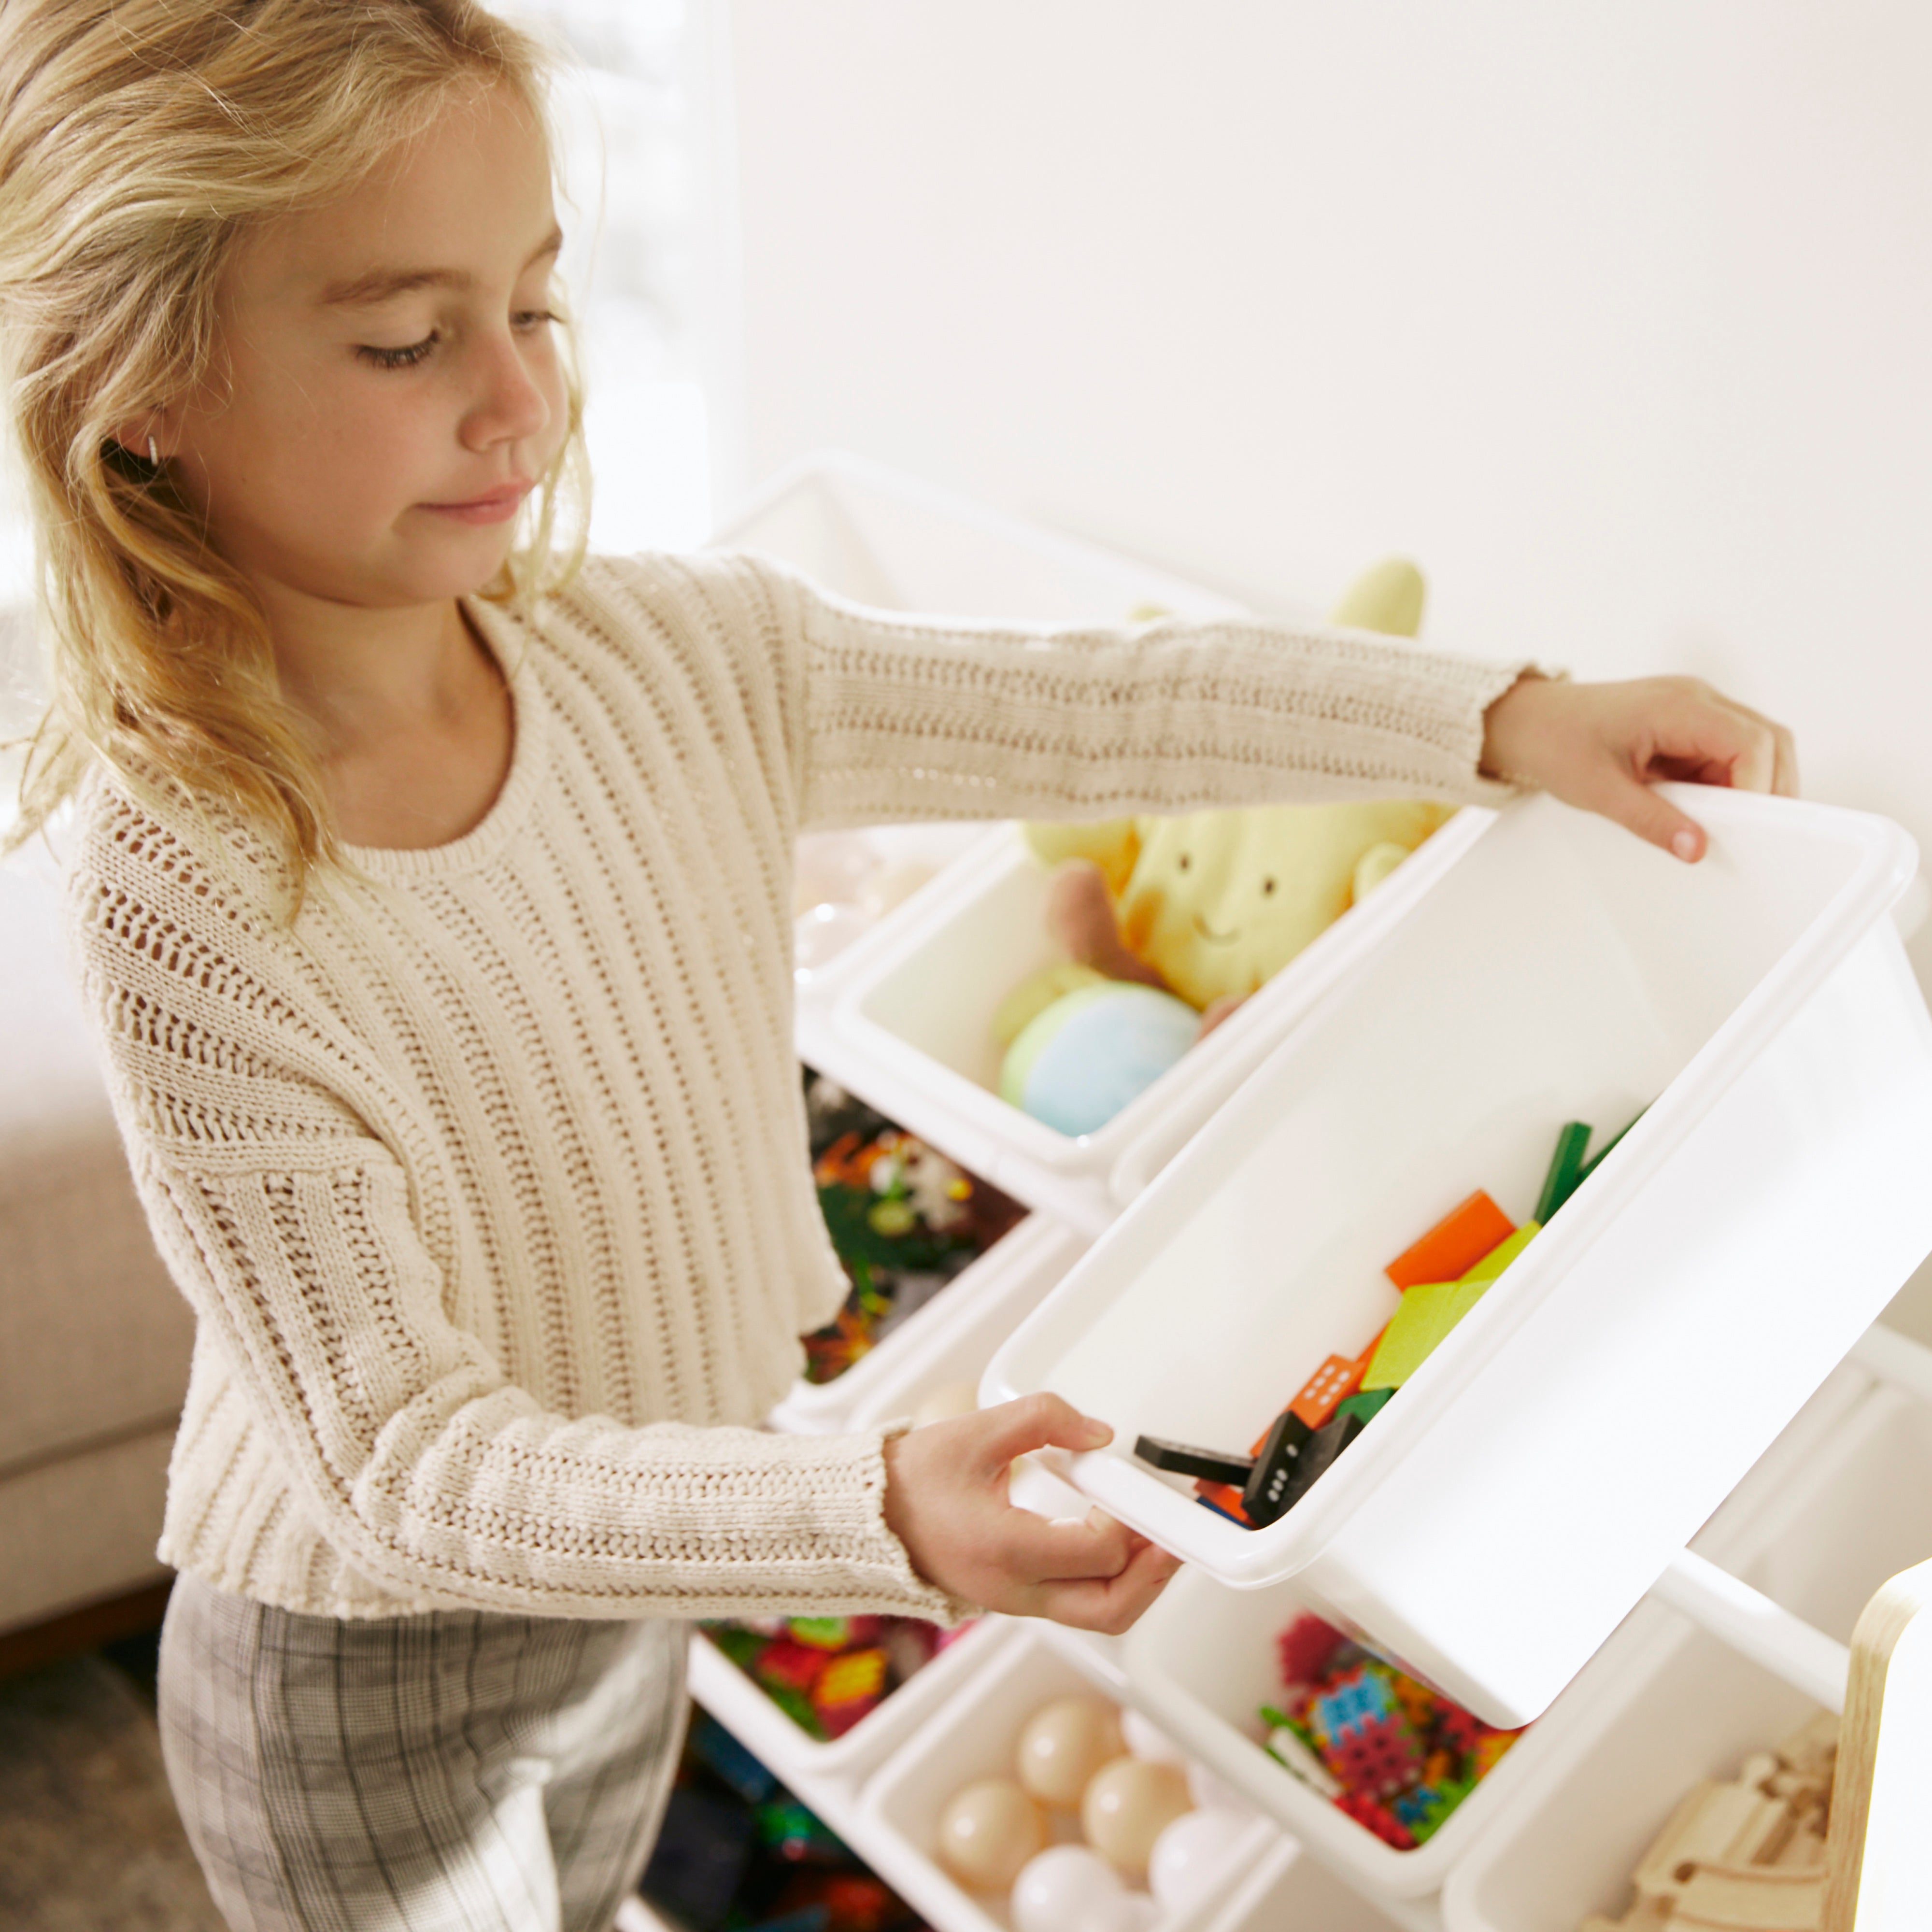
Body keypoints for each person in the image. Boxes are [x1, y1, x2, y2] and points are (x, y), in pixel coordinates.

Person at [0, 2, 1797, 1928]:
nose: (520, 402)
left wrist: (1502, 718)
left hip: (636, 1580)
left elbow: (1083, 709)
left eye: (534, 305)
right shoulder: (185, 896)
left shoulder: (667, 659)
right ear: (141, 381)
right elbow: (402, 1458)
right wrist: (858, 1504)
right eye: (403, 337)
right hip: (367, 1675)